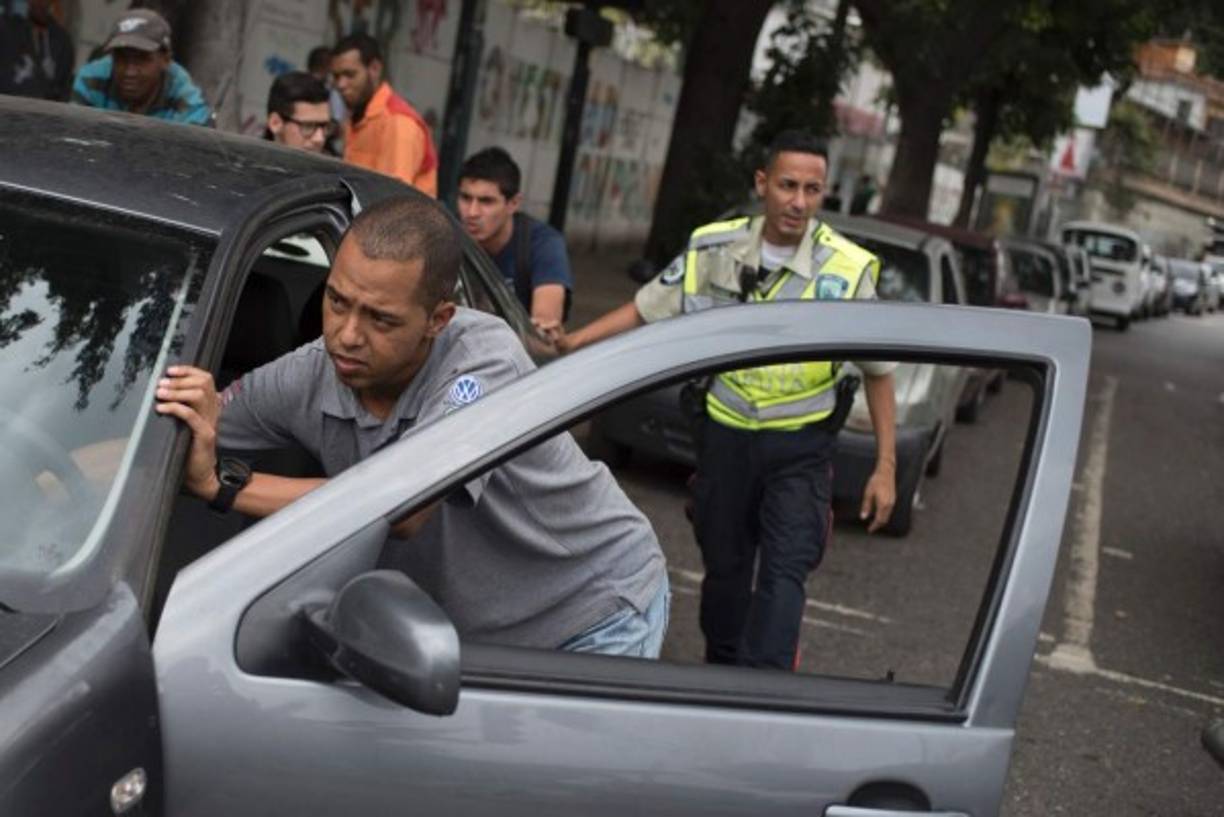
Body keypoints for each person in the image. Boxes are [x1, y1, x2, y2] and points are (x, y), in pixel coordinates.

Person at [154, 195, 668, 656]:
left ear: (438, 319)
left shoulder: (483, 363)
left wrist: (221, 484)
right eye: (337, 302)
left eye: (381, 319)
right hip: (469, 643)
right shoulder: (312, 371)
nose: (346, 336)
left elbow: (404, 506)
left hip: (596, 616)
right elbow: (178, 437)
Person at [543, 130, 897, 670]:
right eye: (787, 186)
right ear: (762, 184)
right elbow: (646, 308)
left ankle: (765, 692)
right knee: (725, 573)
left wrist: (886, 467)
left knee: (785, 573)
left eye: (813, 189)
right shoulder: (714, 247)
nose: (799, 202)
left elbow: (879, 372)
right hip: (725, 438)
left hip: (800, 448)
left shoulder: (847, 270)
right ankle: (722, 678)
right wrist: (573, 342)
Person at [458, 147, 573, 326]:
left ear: (513, 203)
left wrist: (542, 328)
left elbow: (545, 327)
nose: (472, 212)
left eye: (486, 201)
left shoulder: (542, 244)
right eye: (466, 198)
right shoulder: (449, 237)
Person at [331, 32, 437, 197]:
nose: (341, 84)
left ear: (375, 69)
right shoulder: (356, 115)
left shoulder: (399, 123)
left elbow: (395, 200)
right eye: (336, 76)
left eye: (350, 75)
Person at [71, 8, 210, 125]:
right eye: (121, 57)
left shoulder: (185, 98)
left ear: (166, 60)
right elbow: (74, 137)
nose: (129, 71)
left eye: (142, 59)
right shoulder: (91, 80)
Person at [0, 0, 74, 101]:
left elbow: (64, 87)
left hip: (44, 112)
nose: (39, 2)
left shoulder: (62, 41)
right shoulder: (7, 29)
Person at [263, 70, 333, 153]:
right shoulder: (247, 163)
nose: (320, 139)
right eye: (308, 126)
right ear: (275, 123)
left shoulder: (333, 164)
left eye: (325, 127)